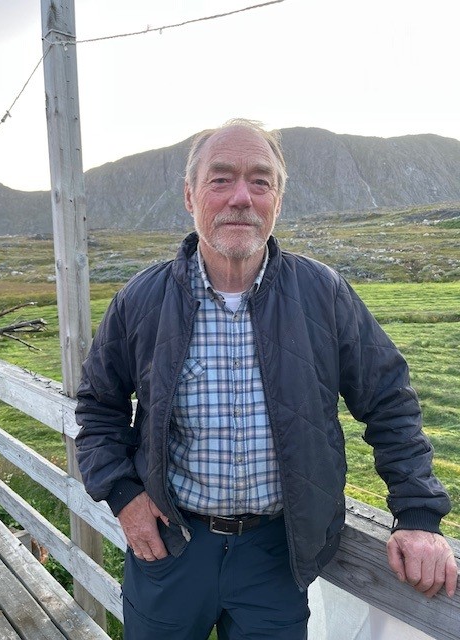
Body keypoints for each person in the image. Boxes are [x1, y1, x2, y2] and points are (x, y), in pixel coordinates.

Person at [75, 119, 457, 639]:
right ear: (189, 196)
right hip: (171, 545)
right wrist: (123, 495)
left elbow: (389, 400)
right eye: (221, 179)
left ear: (278, 199)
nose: (241, 197)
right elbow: (99, 406)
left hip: (277, 558)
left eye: (260, 181)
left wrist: (417, 514)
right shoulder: (141, 300)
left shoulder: (323, 293)